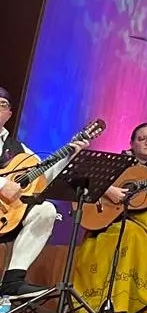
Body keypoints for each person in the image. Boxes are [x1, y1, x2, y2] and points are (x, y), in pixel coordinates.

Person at [71, 122, 147, 313]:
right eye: (142, 138)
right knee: (132, 235)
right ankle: (120, 301)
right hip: (117, 217)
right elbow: (85, 178)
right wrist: (109, 190)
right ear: (132, 142)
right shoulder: (117, 162)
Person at [0, 86, 88, 298]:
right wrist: (3, 185)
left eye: (2, 104)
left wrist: (69, 155)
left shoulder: (19, 149)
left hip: (5, 215)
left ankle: (13, 281)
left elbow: (42, 177)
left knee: (46, 209)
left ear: (10, 114)